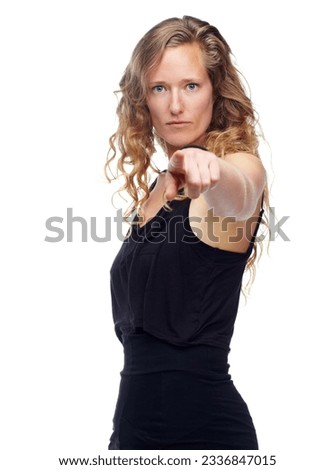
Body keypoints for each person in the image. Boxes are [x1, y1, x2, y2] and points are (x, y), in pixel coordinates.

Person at [104, 15, 268, 450]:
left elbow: (242, 191)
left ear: (216, 92)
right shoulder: (160, 187)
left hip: (206, 436)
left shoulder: (237, 167)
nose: (176, 105)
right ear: (145, 100)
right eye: (161, 88)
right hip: (132, 436)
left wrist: (215, 172)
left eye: (191, 86)